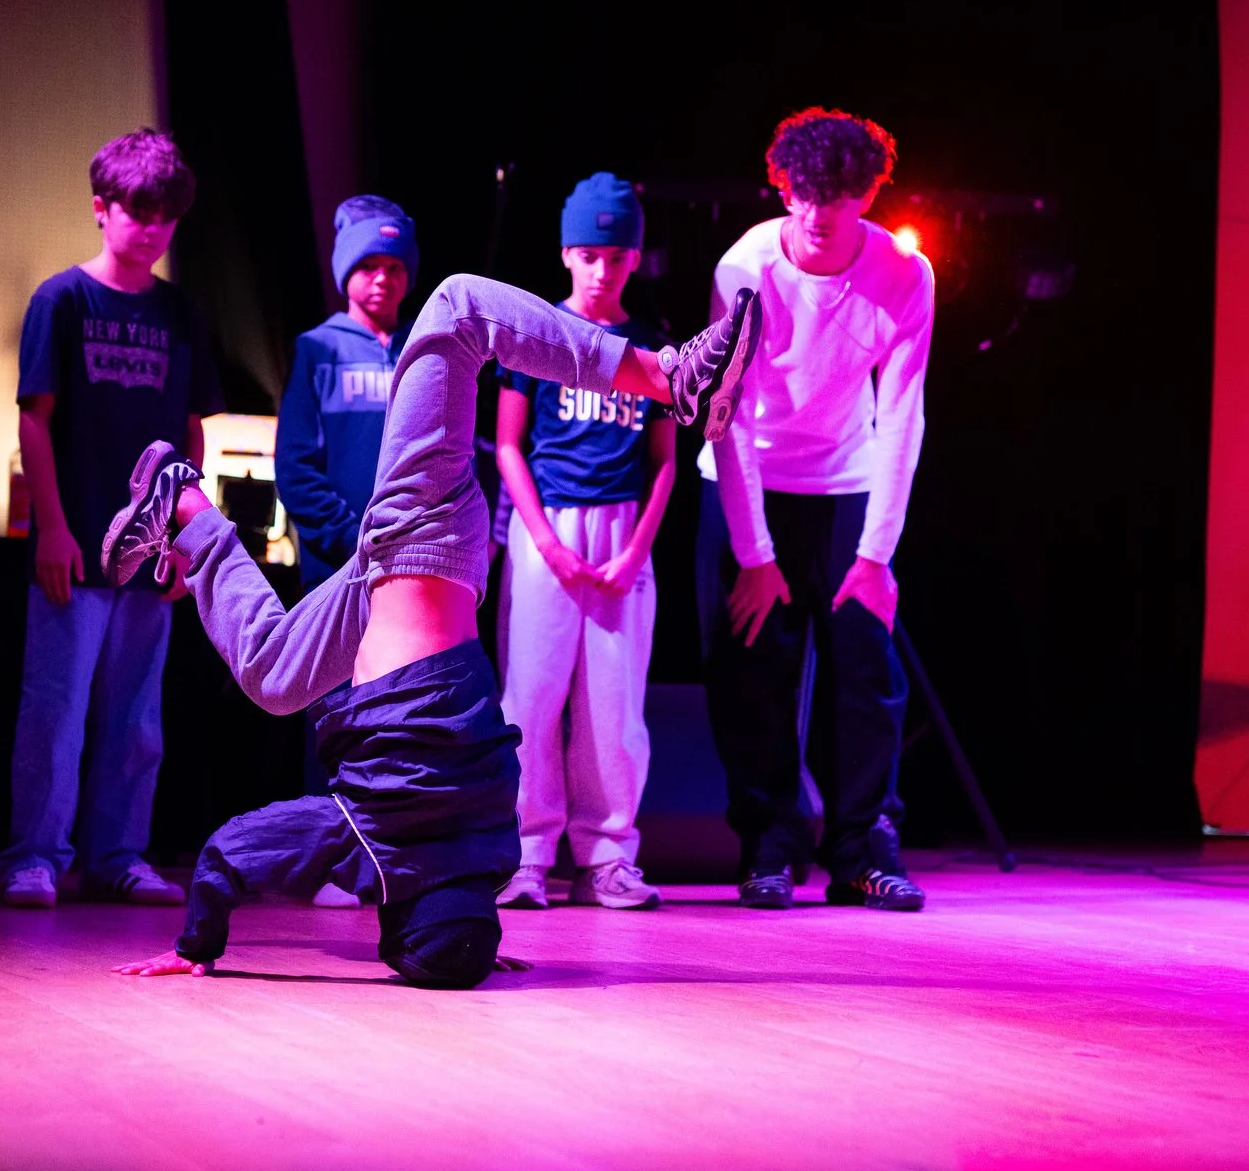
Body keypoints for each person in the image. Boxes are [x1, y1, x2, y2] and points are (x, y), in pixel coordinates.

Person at [102, 271, 763, 987]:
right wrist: (197, 945)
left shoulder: (491, 845)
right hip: (424, 533)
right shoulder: (375, 840)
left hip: (397, 580)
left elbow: (466, 892)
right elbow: (229, 853)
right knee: (458, 308)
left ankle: (182, 505)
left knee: (273, 674)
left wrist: (473, 941)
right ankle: (669, 377)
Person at [697, 108, 933, 912]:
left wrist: (875, 555)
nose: (817, 212)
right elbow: (726, 414)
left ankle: (860, 848)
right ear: (783, 188)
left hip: (845, 484)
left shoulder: (905, 274)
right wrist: (755, 556)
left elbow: (902, 412)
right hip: (748, 477)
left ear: (867, 195)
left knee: (866, 666)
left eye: (836, 196)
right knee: (753, 668)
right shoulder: (745, 268)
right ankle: (769, 843)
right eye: (803, 193)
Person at [0, 129, 222, 909]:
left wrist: (188, 538)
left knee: (137, 716)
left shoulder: (181, 312)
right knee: (55, 709)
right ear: (101, 208)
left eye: (167, 217)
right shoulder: (60, 300)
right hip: (76, 538)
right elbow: (34, 421)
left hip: (152, 551)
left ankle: (118, 854)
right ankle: (35, 855)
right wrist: (53, 527)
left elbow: (191, 431)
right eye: (139, 212)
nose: (153, 229)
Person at [492, 173, 676, 911]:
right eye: (591, 255)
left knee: (613, 704)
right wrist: (546, 543)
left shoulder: (652, 346)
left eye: (618, 256)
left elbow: (664, 462)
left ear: (635, 257)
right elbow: (509, 446)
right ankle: (525, 853)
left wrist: (634, 553)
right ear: (567, 253)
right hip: (548, 527)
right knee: (530, 698)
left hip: (622, 532)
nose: (604, 270)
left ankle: (606, 855)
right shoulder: (537, 334)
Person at [274, 197, 415, 591]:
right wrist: (353, 541)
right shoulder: (317, 349)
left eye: (394, 267)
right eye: (368, 266)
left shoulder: (424, 350)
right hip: (336, 570)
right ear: (346, 269)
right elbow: (294, 467)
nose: (382, 278)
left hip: (414, 565)